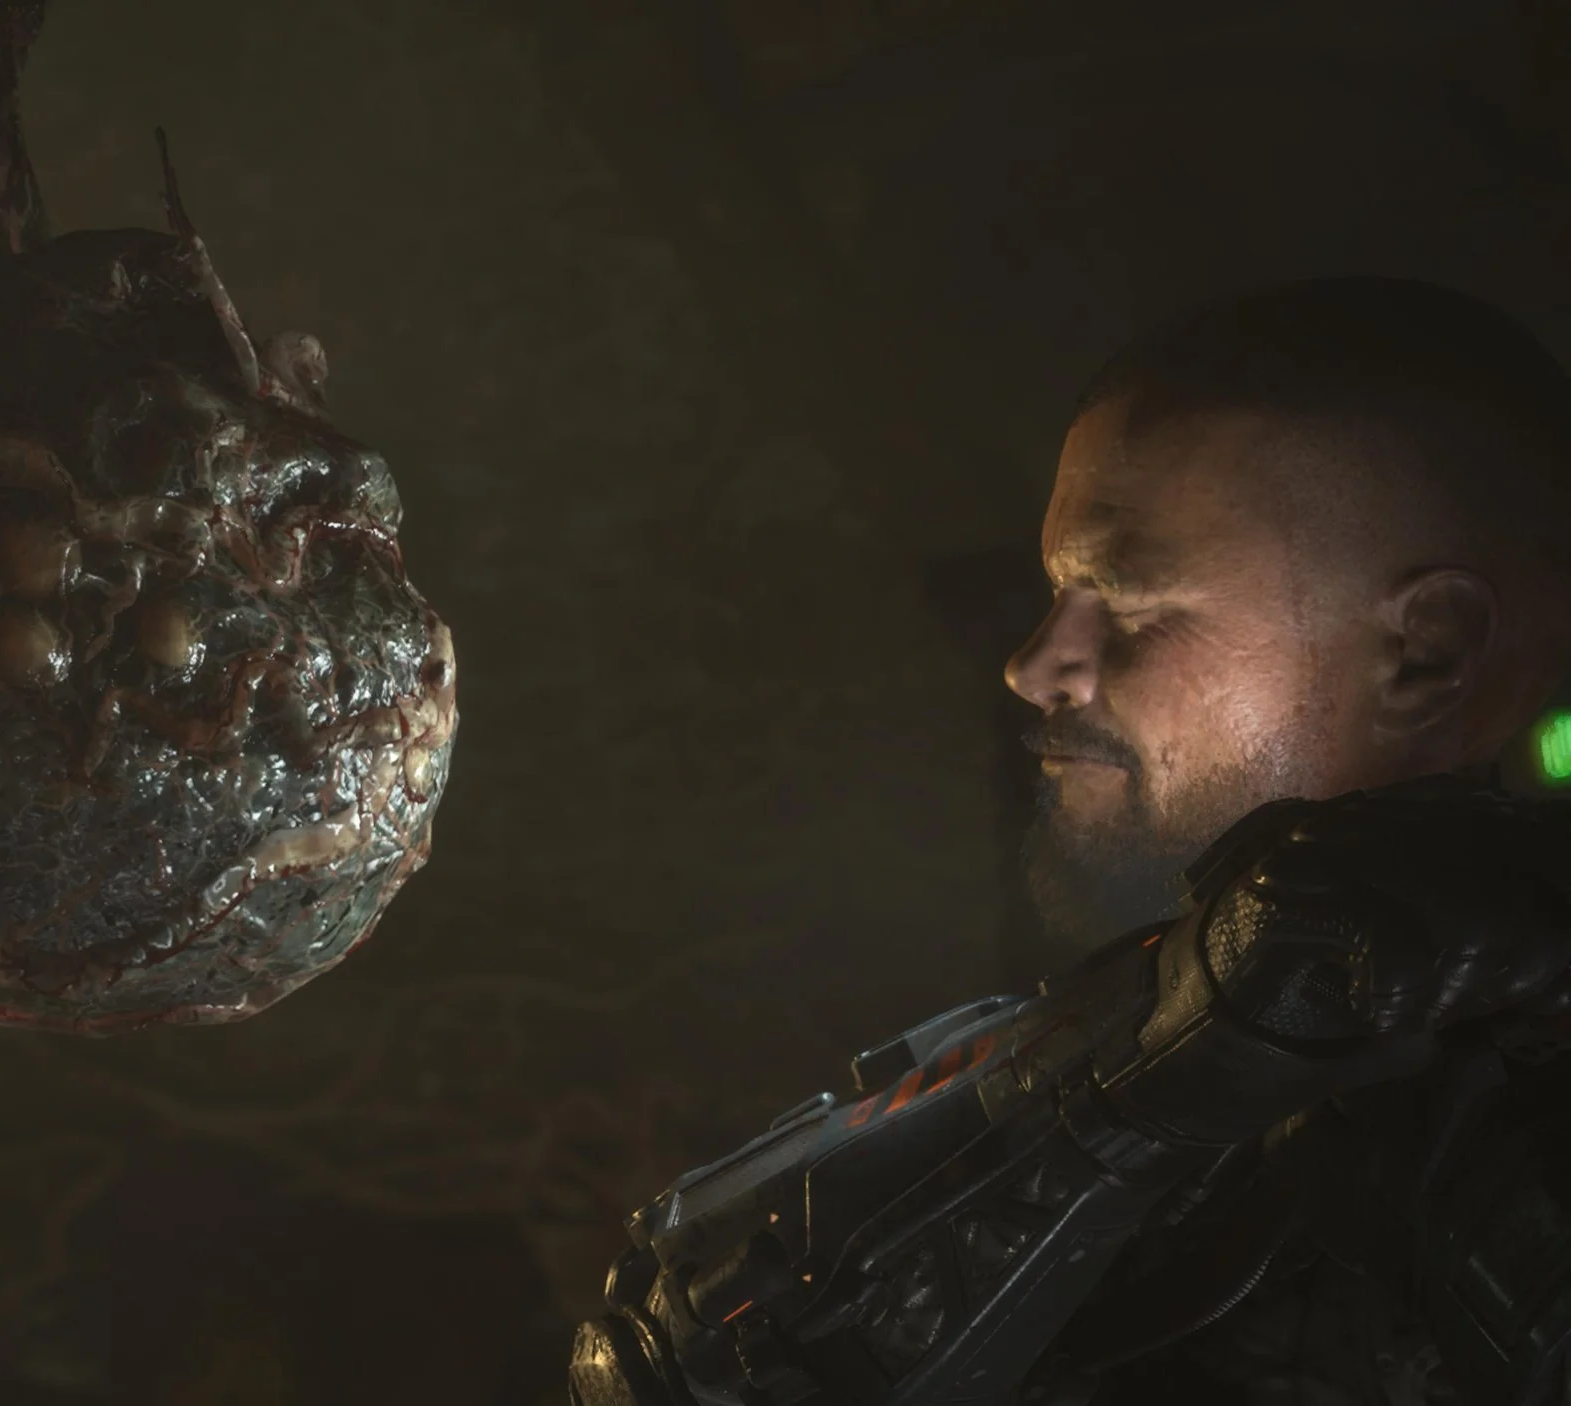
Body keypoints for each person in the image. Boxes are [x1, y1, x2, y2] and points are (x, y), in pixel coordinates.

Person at [569, 277, 1571, 1405]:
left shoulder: (1514, 1106)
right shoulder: (1111, 1048)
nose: (1034, 665)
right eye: (1057, 595)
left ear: (1427, 651)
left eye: (1127, 601)